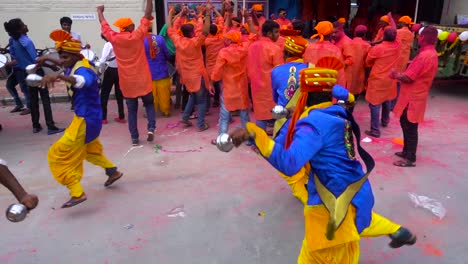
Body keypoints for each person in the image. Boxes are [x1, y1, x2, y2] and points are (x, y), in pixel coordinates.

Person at [228, 57, 416, 263]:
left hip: (330, 207)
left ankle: (395, 231)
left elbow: (290, 163)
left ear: (304, 94)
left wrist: (256, 134)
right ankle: (398, 231)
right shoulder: (336, 114)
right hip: (353, 190)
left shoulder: (313, 124)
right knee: (354, 221)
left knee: (313, 255)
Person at [42, 30, 123, 208]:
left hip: (84, 121)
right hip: (92, 119)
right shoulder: (79, 61)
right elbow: (65, 65)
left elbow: (82, 81)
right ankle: (112, 171)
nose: (61, 61)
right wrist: (46, 60)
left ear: (73, 55)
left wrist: (59, 75)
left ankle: (77, 193)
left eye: (64, 57)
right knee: (90, 151)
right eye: (60, 57)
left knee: (57, 155)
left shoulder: (83, 70)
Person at [98, 1, 156, 146]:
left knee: (131, 111)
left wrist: (100, 12)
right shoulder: (138, 35)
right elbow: (147, 15)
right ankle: (151, 128)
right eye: (132, 25)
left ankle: (135, 138)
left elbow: (104, 26)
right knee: (149, 104)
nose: (134, 26)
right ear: (129, 27)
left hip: (127, 82)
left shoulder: (114, 38)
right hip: (142, 79)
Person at [4, 18, 64, 135]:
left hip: (26, 73)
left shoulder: (13, 41)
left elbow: (15, 58)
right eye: (23, 25)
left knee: (33, 100)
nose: (26, 25)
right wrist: (51, 65)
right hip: (37, 72)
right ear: (20, 29)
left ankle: (35, 125)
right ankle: (50, 126)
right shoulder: (27, 41)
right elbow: (36, 60)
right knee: (45, 98)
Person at [390, 26, 438, 167]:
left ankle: (410, 158)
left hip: (413, 97)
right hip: (417, 95)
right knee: (407, 124)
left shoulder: (424, 56)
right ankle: (406, 152)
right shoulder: (431, 53)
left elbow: (409, 77)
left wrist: (395, 75)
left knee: (410, 127)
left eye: (419, 36)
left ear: (422, 38)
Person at [210, 11, 257, 145]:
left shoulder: (224, 52)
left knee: (224, 116)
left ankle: (222, 140)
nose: (224, 40)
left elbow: (217, 70)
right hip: (241, 87)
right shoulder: (244, 49)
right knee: (244, 115)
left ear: (230, 40)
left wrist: (212, 83)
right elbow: (253, 35)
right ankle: (249, 140)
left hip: (229, 88)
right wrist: (247, 19)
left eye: (227, 38)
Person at [167, 3, 214, 131]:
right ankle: (200, 124)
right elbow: (205, 31)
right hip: (198, 76)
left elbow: (170, 27)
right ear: (192, 32)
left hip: (187, 77)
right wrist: (207, 14)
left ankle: (186, 116)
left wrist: (174, 13)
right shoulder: (195, 42)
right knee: (202, 100)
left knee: (193, 96)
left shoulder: (178, 40)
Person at [247, 20, 284, 132]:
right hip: (270, 87)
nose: (278, 35)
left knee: (260, 115)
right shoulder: (274, 48)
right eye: (276, 32)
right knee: (278, 113)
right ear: (269, 34)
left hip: (255, 85)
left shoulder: (252, 46)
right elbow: (279, 71)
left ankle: (259, 142)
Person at [365, 28, 401, 138]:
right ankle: (385, 121)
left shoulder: (378, 48)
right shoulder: (397, 46)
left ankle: (375, 130)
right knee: (387, 99)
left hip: (378, 79)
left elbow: (368, 62)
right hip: (390, 78)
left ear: (383, 37)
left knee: (375, 104)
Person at [303, 21, 345, 86]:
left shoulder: (309, 47)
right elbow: (340, 74)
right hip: (327, 86)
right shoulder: (335, 50)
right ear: (330, 33)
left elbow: (305, 66)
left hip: (311, 85)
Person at [144, 22, 172, 117]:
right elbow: (167, 54)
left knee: (151, 94)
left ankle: (152, 112)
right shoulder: (160, 39)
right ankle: (166, 111)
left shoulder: (141, 41)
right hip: (162, 70)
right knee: (164, 93)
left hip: (149, 73)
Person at [98, 34, 125, 124]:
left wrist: (100, 71)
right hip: (119, 70)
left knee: (104, 94)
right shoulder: (119, 43)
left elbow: (102, 61)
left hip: (110, 71)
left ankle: (103, 118)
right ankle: (121, 116)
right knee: (119, 94)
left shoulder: (108, 44)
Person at [390, 15, 415, 110]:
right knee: (398, 81)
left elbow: (392, 37)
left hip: (397, 59)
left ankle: (391, 104)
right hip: (404, 59)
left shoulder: (399, 32)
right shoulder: (410, 34)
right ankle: (394, 104)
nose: (398, 24)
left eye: (400, 22)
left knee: (394, 81)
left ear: (403, 23)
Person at [347, 25, 371, 112]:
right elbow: (368, 64)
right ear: (364, 35)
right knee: (353, 99)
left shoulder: (347, 43)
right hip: (358, 77)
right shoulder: (367, 46)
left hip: (346, 76)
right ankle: (349, 114)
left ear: (354, 33)